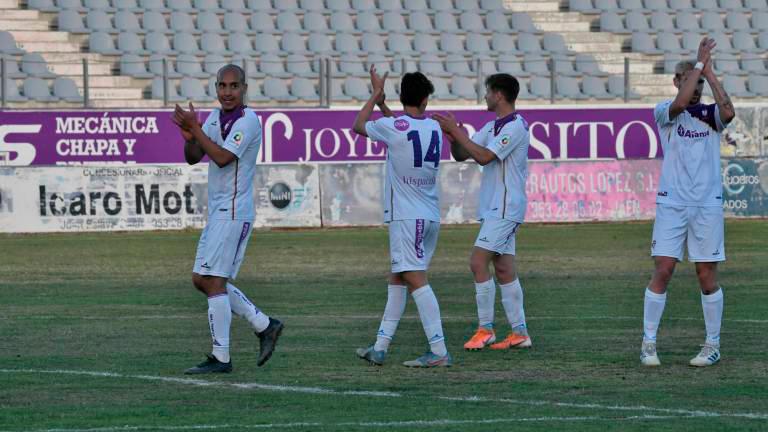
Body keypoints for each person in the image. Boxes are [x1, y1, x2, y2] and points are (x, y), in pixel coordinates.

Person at [172, 64, 283, 374]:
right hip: (220, 210)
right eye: (222, 86)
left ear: (244, 88)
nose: (227, 92)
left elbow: (222, 158)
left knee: (213, 281)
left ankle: (222, 357)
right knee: (202, 279)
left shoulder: (247, 121)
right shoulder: (213, 118)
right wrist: (189, 136)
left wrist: (196, 132)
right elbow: (194, 156)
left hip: (235, 210)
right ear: (216, 87)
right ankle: (264, 325)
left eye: (234, 86)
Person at [640, 37, 735, 367]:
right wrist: (697, 66)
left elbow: (729, 111)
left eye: (697, 83)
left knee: (706, 275)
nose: (693, 89)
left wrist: (709, 73)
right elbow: (680, 103)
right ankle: (648, 343)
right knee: (664, 269)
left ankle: (712, 344)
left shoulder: (710, 114)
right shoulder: (666, 113)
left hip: (706, 204)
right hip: (672, 203)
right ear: (677, 82)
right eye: (688, 81)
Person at [352, 67, 452, 367]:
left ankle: (439, 350)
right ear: (425, 100)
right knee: (398, 277)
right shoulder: (433, 127)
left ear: (401, 96)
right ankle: (380, 347)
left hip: (407, 217)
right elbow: (403, 124)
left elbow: (358, 125)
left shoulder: (394, 127)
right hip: (430, 215)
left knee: (415, 278)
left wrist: (375, 96)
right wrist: (384, 104)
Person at [433, 73, 532, 352]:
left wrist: (459, 132)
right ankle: (520, 333)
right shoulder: (492, 126)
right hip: (494, 207)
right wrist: (453, 136)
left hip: (506, 206)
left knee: (478, 262)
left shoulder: (516, 126)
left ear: (499, 94)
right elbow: (462, 155)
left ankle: (485, 329)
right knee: (503, 268)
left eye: (488, 92)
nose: (485, 96)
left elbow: (484, 157)